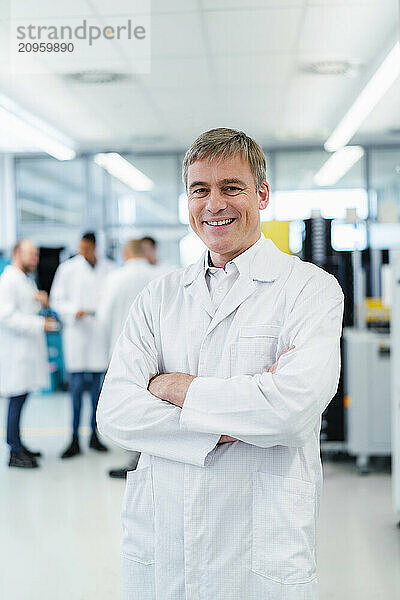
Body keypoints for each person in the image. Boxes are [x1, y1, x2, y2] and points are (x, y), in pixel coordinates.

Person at [97, 128, 344, 600]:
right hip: (166, 536)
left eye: (231, 187)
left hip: (262, 539)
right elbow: (114, 413)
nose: (215, 204)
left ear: (262, 194)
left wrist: (175, 387)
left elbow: (290, 409)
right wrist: (242, 412)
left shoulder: (310, 289)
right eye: (200, 190)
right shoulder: (160, 296)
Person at [98, 239, 163, 479]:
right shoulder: (162, 275)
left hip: (122, 352)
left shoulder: (115, 278)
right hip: (159, 355)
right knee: (154, 407)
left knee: (128, 408)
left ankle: (136, 460)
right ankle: (147, 458)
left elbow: (103, 318)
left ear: (126, 253)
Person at [51, 232, 114, 459]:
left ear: (95, 246)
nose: (83, 252)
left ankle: (95, 436)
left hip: (98, 334)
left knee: (99, 393)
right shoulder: (68, 269)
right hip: (77, 334)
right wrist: (72, 310)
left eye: (87, 248)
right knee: (76, 390)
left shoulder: (109, 269)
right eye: (81, 248)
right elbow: (56, 300)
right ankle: (74, 439)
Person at [0, 240, 56, 469]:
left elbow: (26, 309)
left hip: (26, 353)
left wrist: (40, 303)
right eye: (30, 254)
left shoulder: (24, 280)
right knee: (16, 400)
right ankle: (14, 451)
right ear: (16, 254)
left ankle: (19, 444)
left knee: (21, 399)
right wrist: (38, 323)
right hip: (16, 353)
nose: (35, 259)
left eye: (36, 255)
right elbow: (7, 316)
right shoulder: (9, 280)